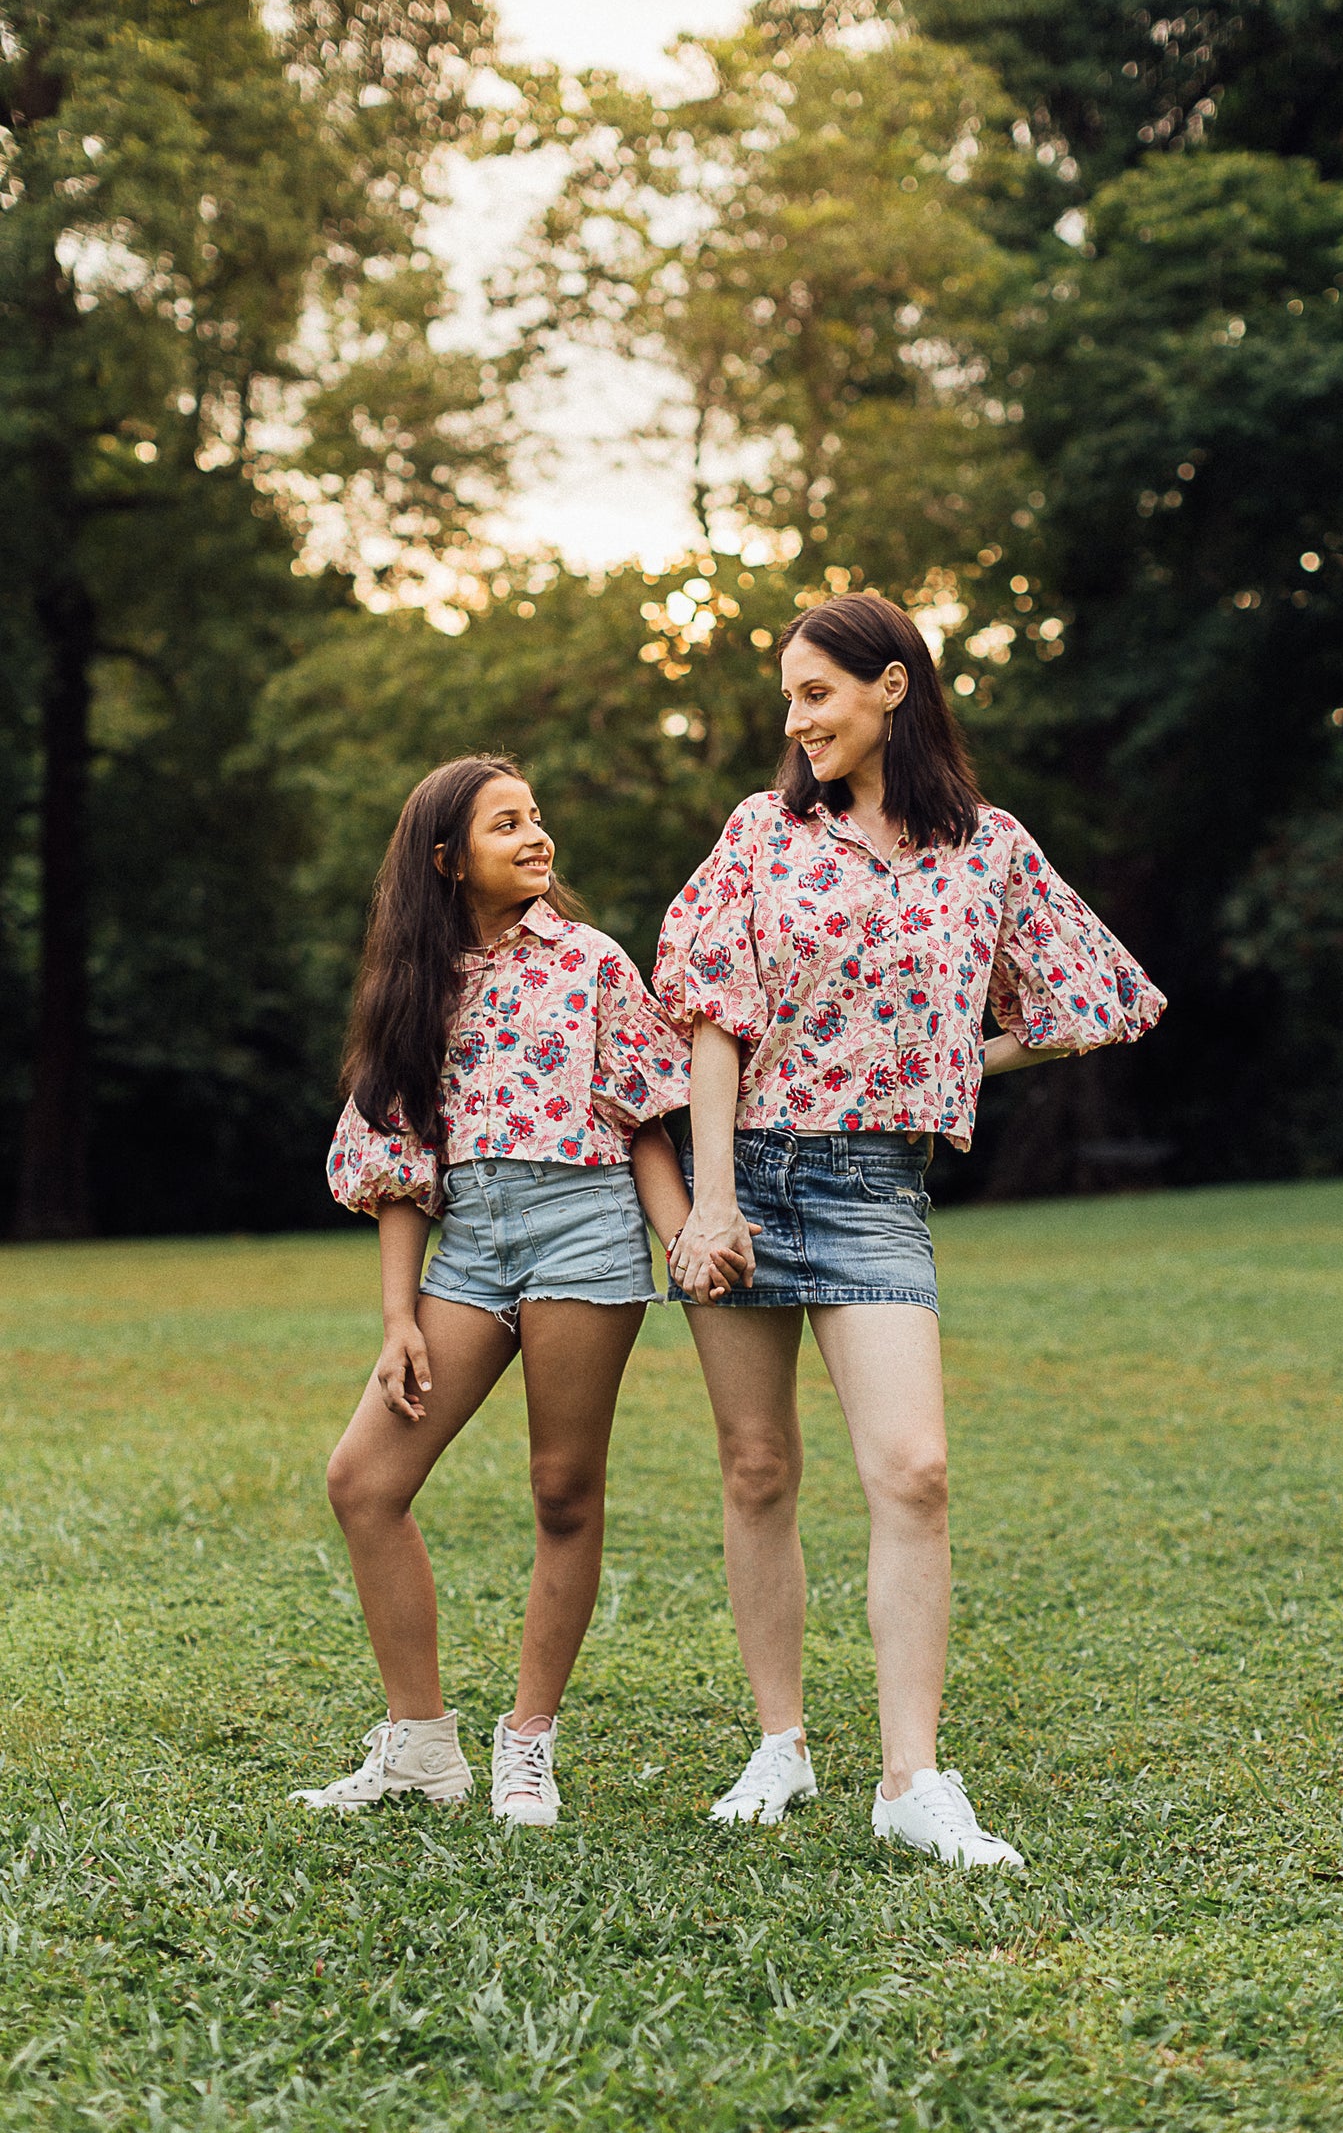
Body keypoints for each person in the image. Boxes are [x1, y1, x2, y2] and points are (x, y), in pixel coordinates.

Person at [659, 593, 1165, 1867]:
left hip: (877, 1191)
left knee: (914, 1471)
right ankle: (779, 1745)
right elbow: (711, 1019)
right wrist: (709, 1198)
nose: (795, 720)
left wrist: (945, 1064)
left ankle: (909, 1778)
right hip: (750, 1173)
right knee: (757, 1468)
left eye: (814, 694)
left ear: (890, 686)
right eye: (787, 699)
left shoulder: (986, 849)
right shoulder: (763, 836)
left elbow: (1091, 1000)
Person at [292, 755, 735, 1825]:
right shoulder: (410, 987)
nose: (536, 837)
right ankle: (418, 1748)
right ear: (448, 860)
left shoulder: (587, 960)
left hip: (582, 1232)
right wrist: (397, 1316)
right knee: (362, 1478)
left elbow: (641, 1119)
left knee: (560, 1490)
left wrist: (681, 1239)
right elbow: (401, 1169)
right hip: (471, 1249)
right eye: (506, 825)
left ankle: (526, 1742)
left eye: (536, 817)